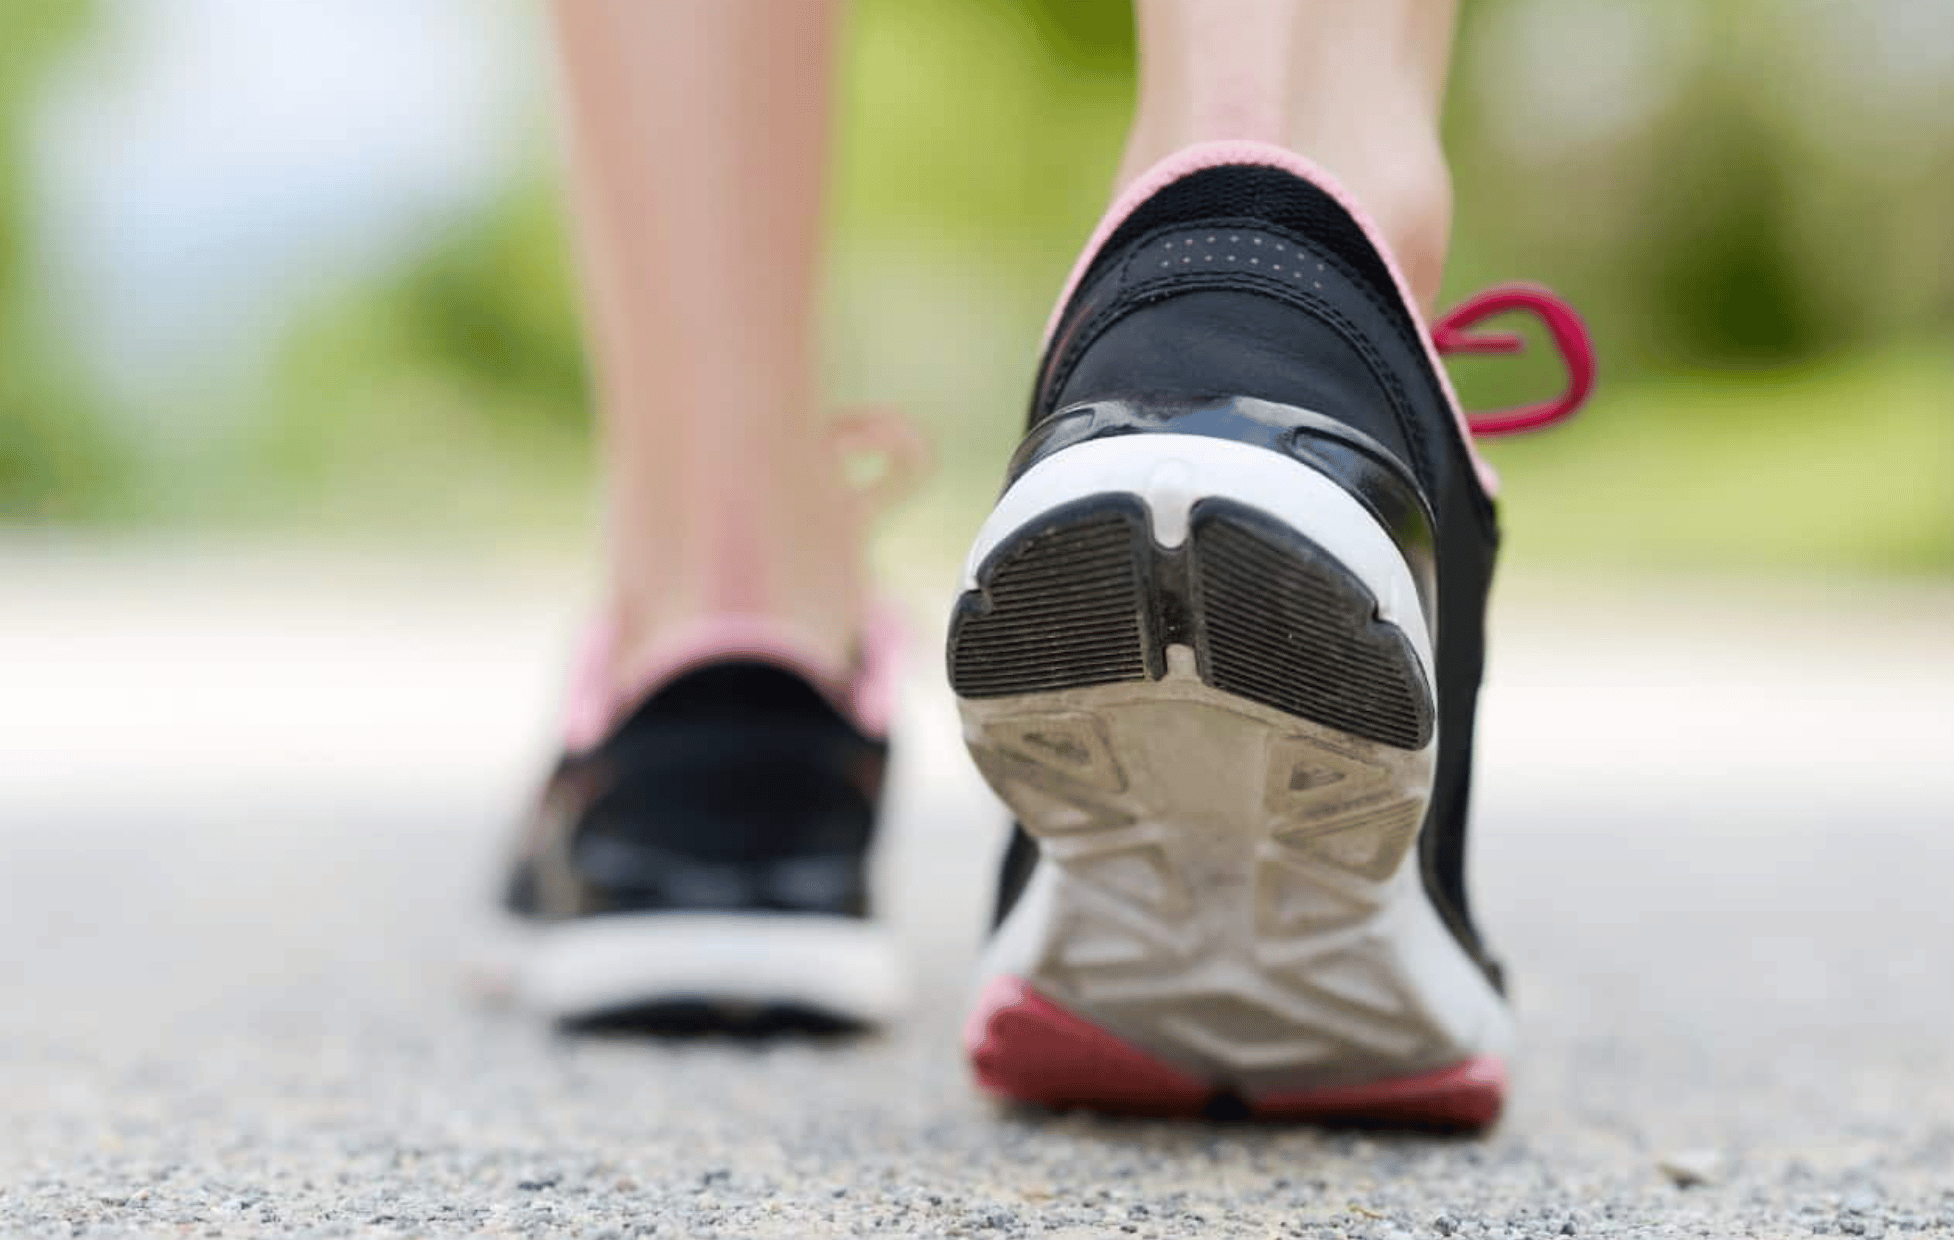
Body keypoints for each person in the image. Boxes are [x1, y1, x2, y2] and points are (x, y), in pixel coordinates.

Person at [492, 0, 1594, 1129]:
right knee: (1288, 148)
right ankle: (1300, 280)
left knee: (713, 556)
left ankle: (712, 636)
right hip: (1312, 350)